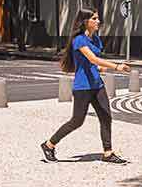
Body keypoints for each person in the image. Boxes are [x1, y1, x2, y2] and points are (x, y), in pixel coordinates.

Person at [42, 9, 131, 164]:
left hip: (97, 84)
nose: (98, 21)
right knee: (77, 121)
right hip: (83, 87)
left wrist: (101, 69)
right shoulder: (79, 40)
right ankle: (49, 144)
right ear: (85, 21)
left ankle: (108, 153)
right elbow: (93, 58)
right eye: (94, 18)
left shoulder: (95, 39)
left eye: (98, 18)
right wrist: (116, 67)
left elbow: (93, 63)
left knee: (106, 117)